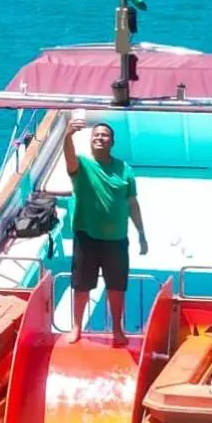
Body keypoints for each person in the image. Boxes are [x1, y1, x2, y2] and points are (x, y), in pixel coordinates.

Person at [63, 120, 148, 347]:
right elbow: (69, 158)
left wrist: (141, 233)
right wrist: (67, 135)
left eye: (105, 135)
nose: (100, 138)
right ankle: (77, 326)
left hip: (117, 239)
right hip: (87, 237)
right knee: (81, 285)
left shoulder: (124, 168)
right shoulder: (81, 165)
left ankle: (117, 329)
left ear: (112, 142)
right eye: (96, 135)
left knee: (116, 287)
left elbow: (132, 203)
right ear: (91, 140)